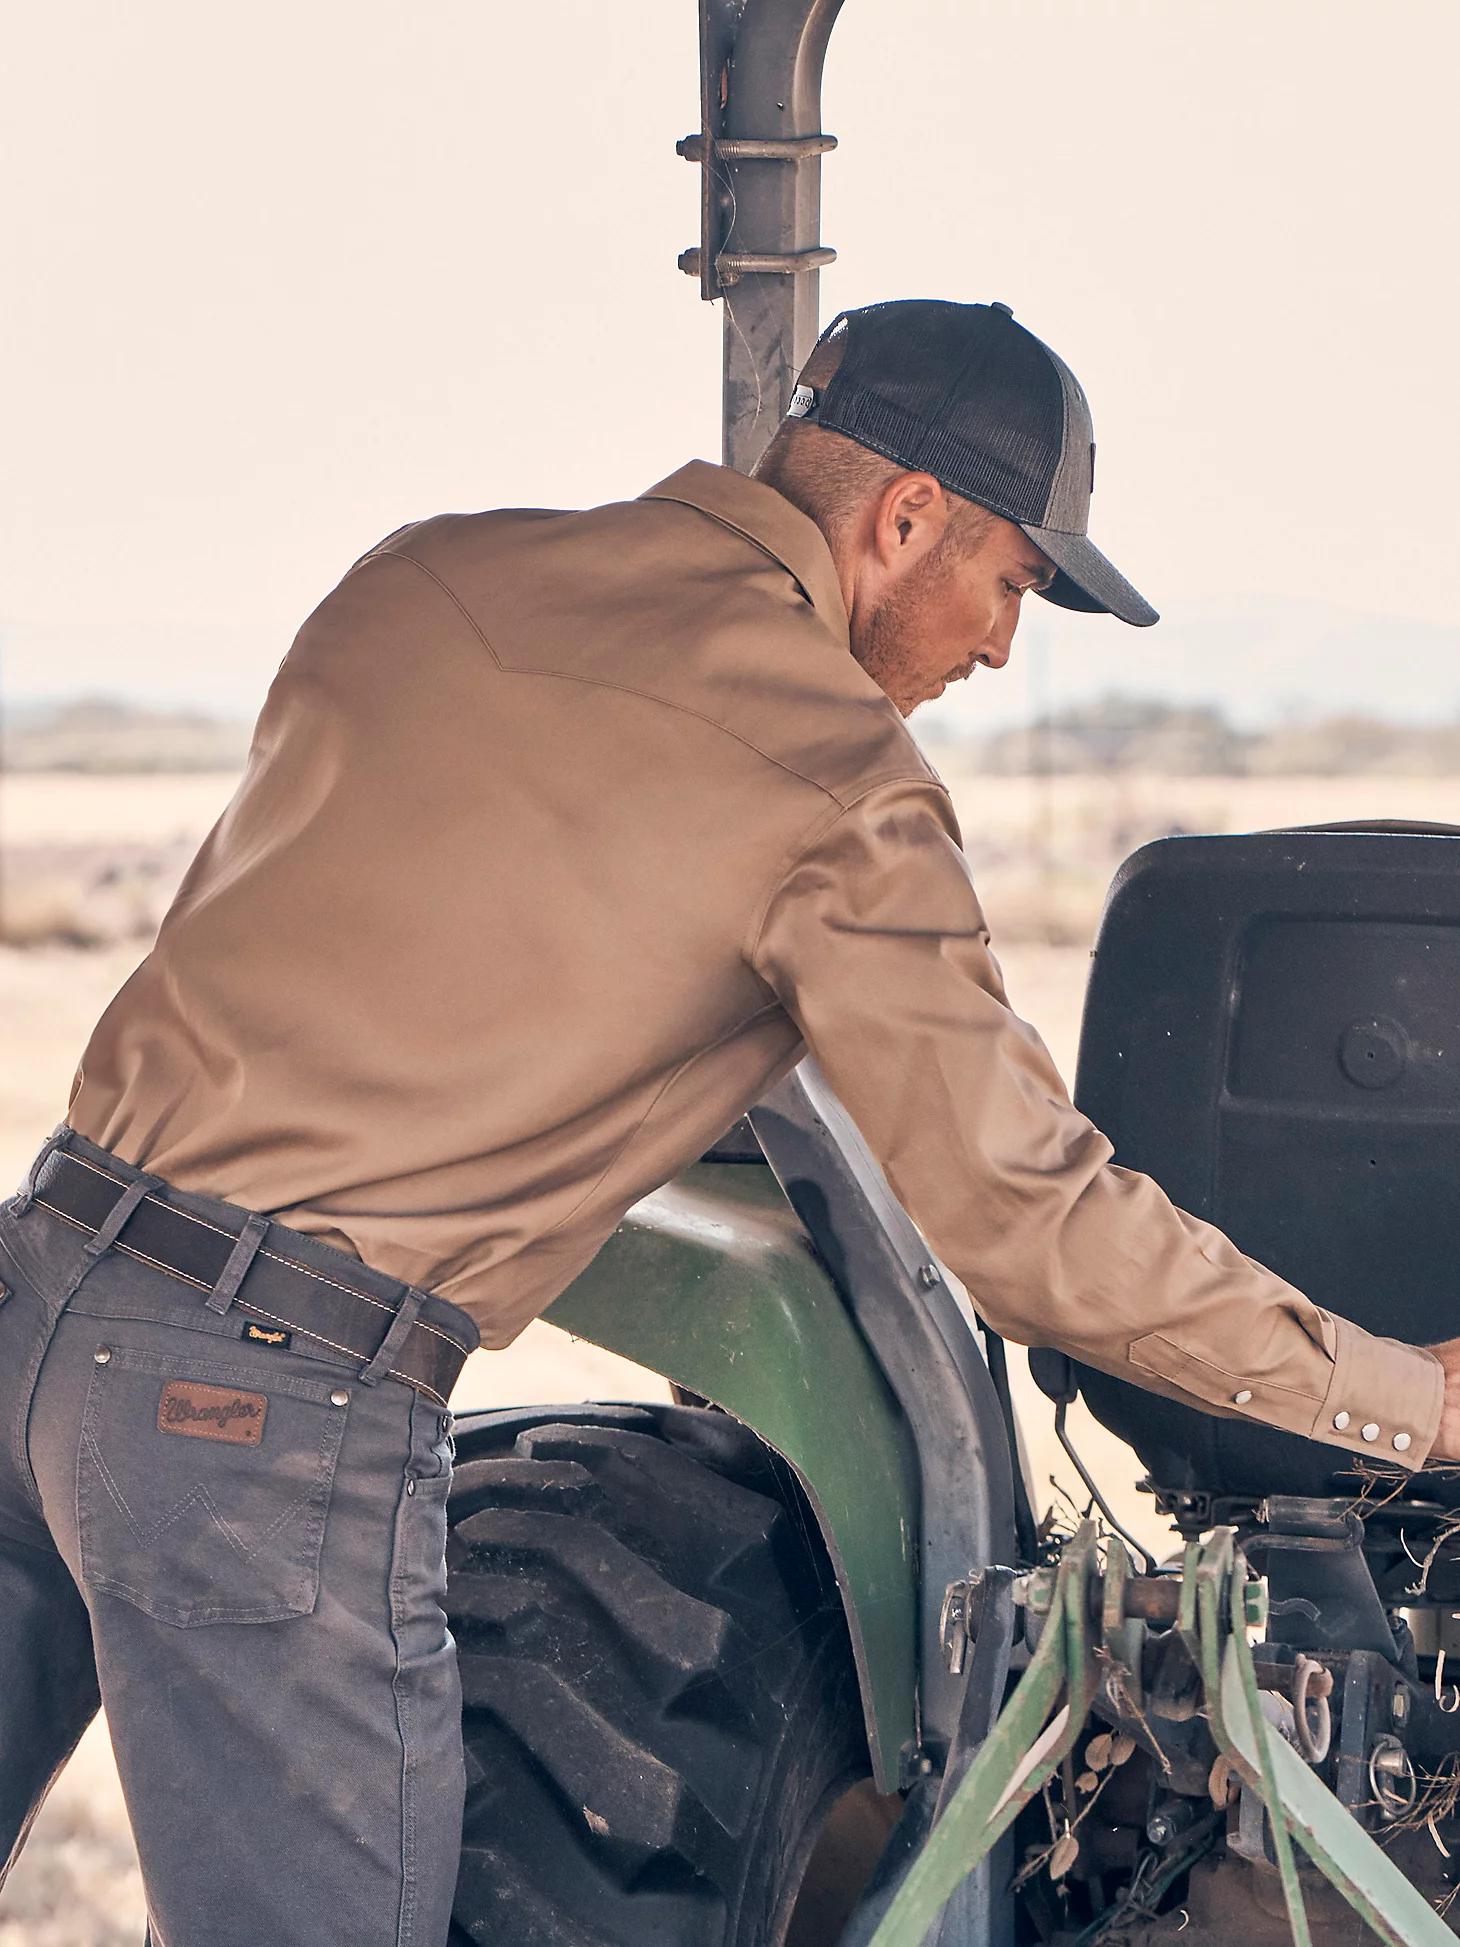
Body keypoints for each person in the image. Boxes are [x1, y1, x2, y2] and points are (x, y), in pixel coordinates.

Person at [2, 298, 1456, 1944]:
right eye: (1012, 584)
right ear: (905, 518)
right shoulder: (835, 783)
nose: (996, 648)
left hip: (38, 1281)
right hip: (252, 1407)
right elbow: (1032, 1223)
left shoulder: (424, 574)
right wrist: (1406, 1399)